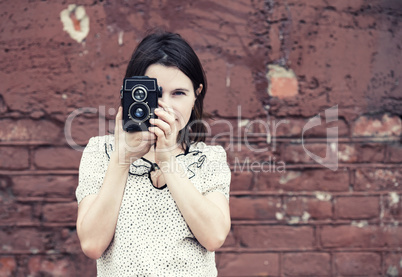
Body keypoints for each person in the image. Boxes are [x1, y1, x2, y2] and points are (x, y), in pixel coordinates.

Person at [75, 31, 231, 276]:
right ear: (132, 92)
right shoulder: (101, 152)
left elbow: (214, 236)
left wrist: (168, 159)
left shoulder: (208, 159)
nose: (166, 106)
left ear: (196, 94)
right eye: (154, 93)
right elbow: (92, 244)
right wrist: (122, 159)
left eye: (178, 93)